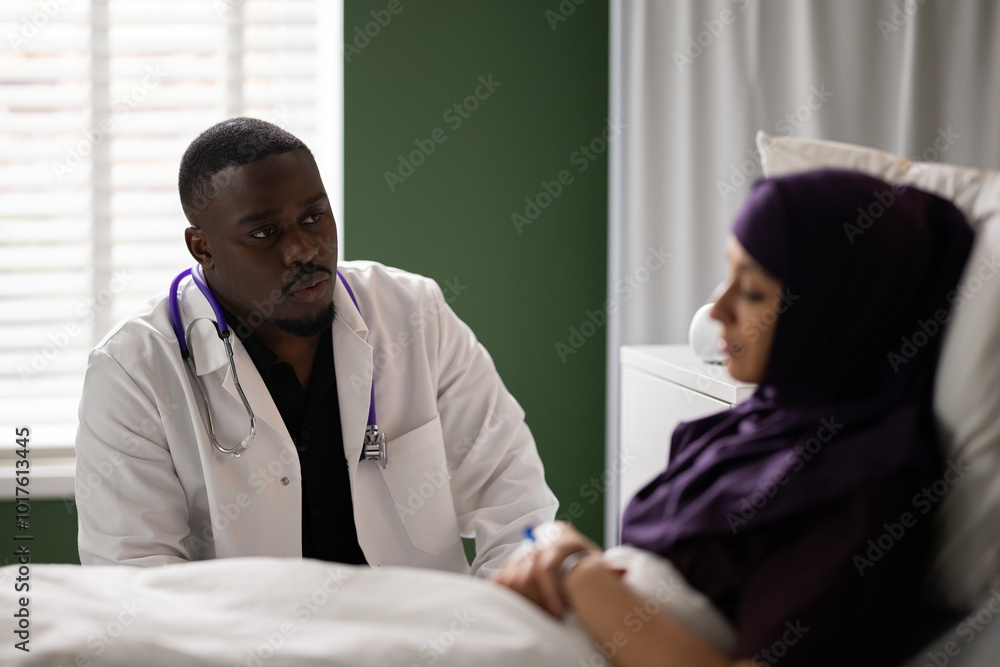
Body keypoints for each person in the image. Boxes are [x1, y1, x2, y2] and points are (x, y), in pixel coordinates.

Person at [494, 169, 974, 665]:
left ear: (834, 312)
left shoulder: (867, 487)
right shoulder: (756, 426)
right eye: (728, 275)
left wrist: (576, 570)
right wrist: (559, 550)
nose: (716, 309)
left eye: (753, 292)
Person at [74, 117, 558, 576]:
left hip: (423, 629)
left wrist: (494, 621)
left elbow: (515, 502)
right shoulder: (132, 372)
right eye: (264, 233)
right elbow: (135, 576)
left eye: (314, 217)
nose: (304, 249)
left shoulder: (415, 315)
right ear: (203, 248)